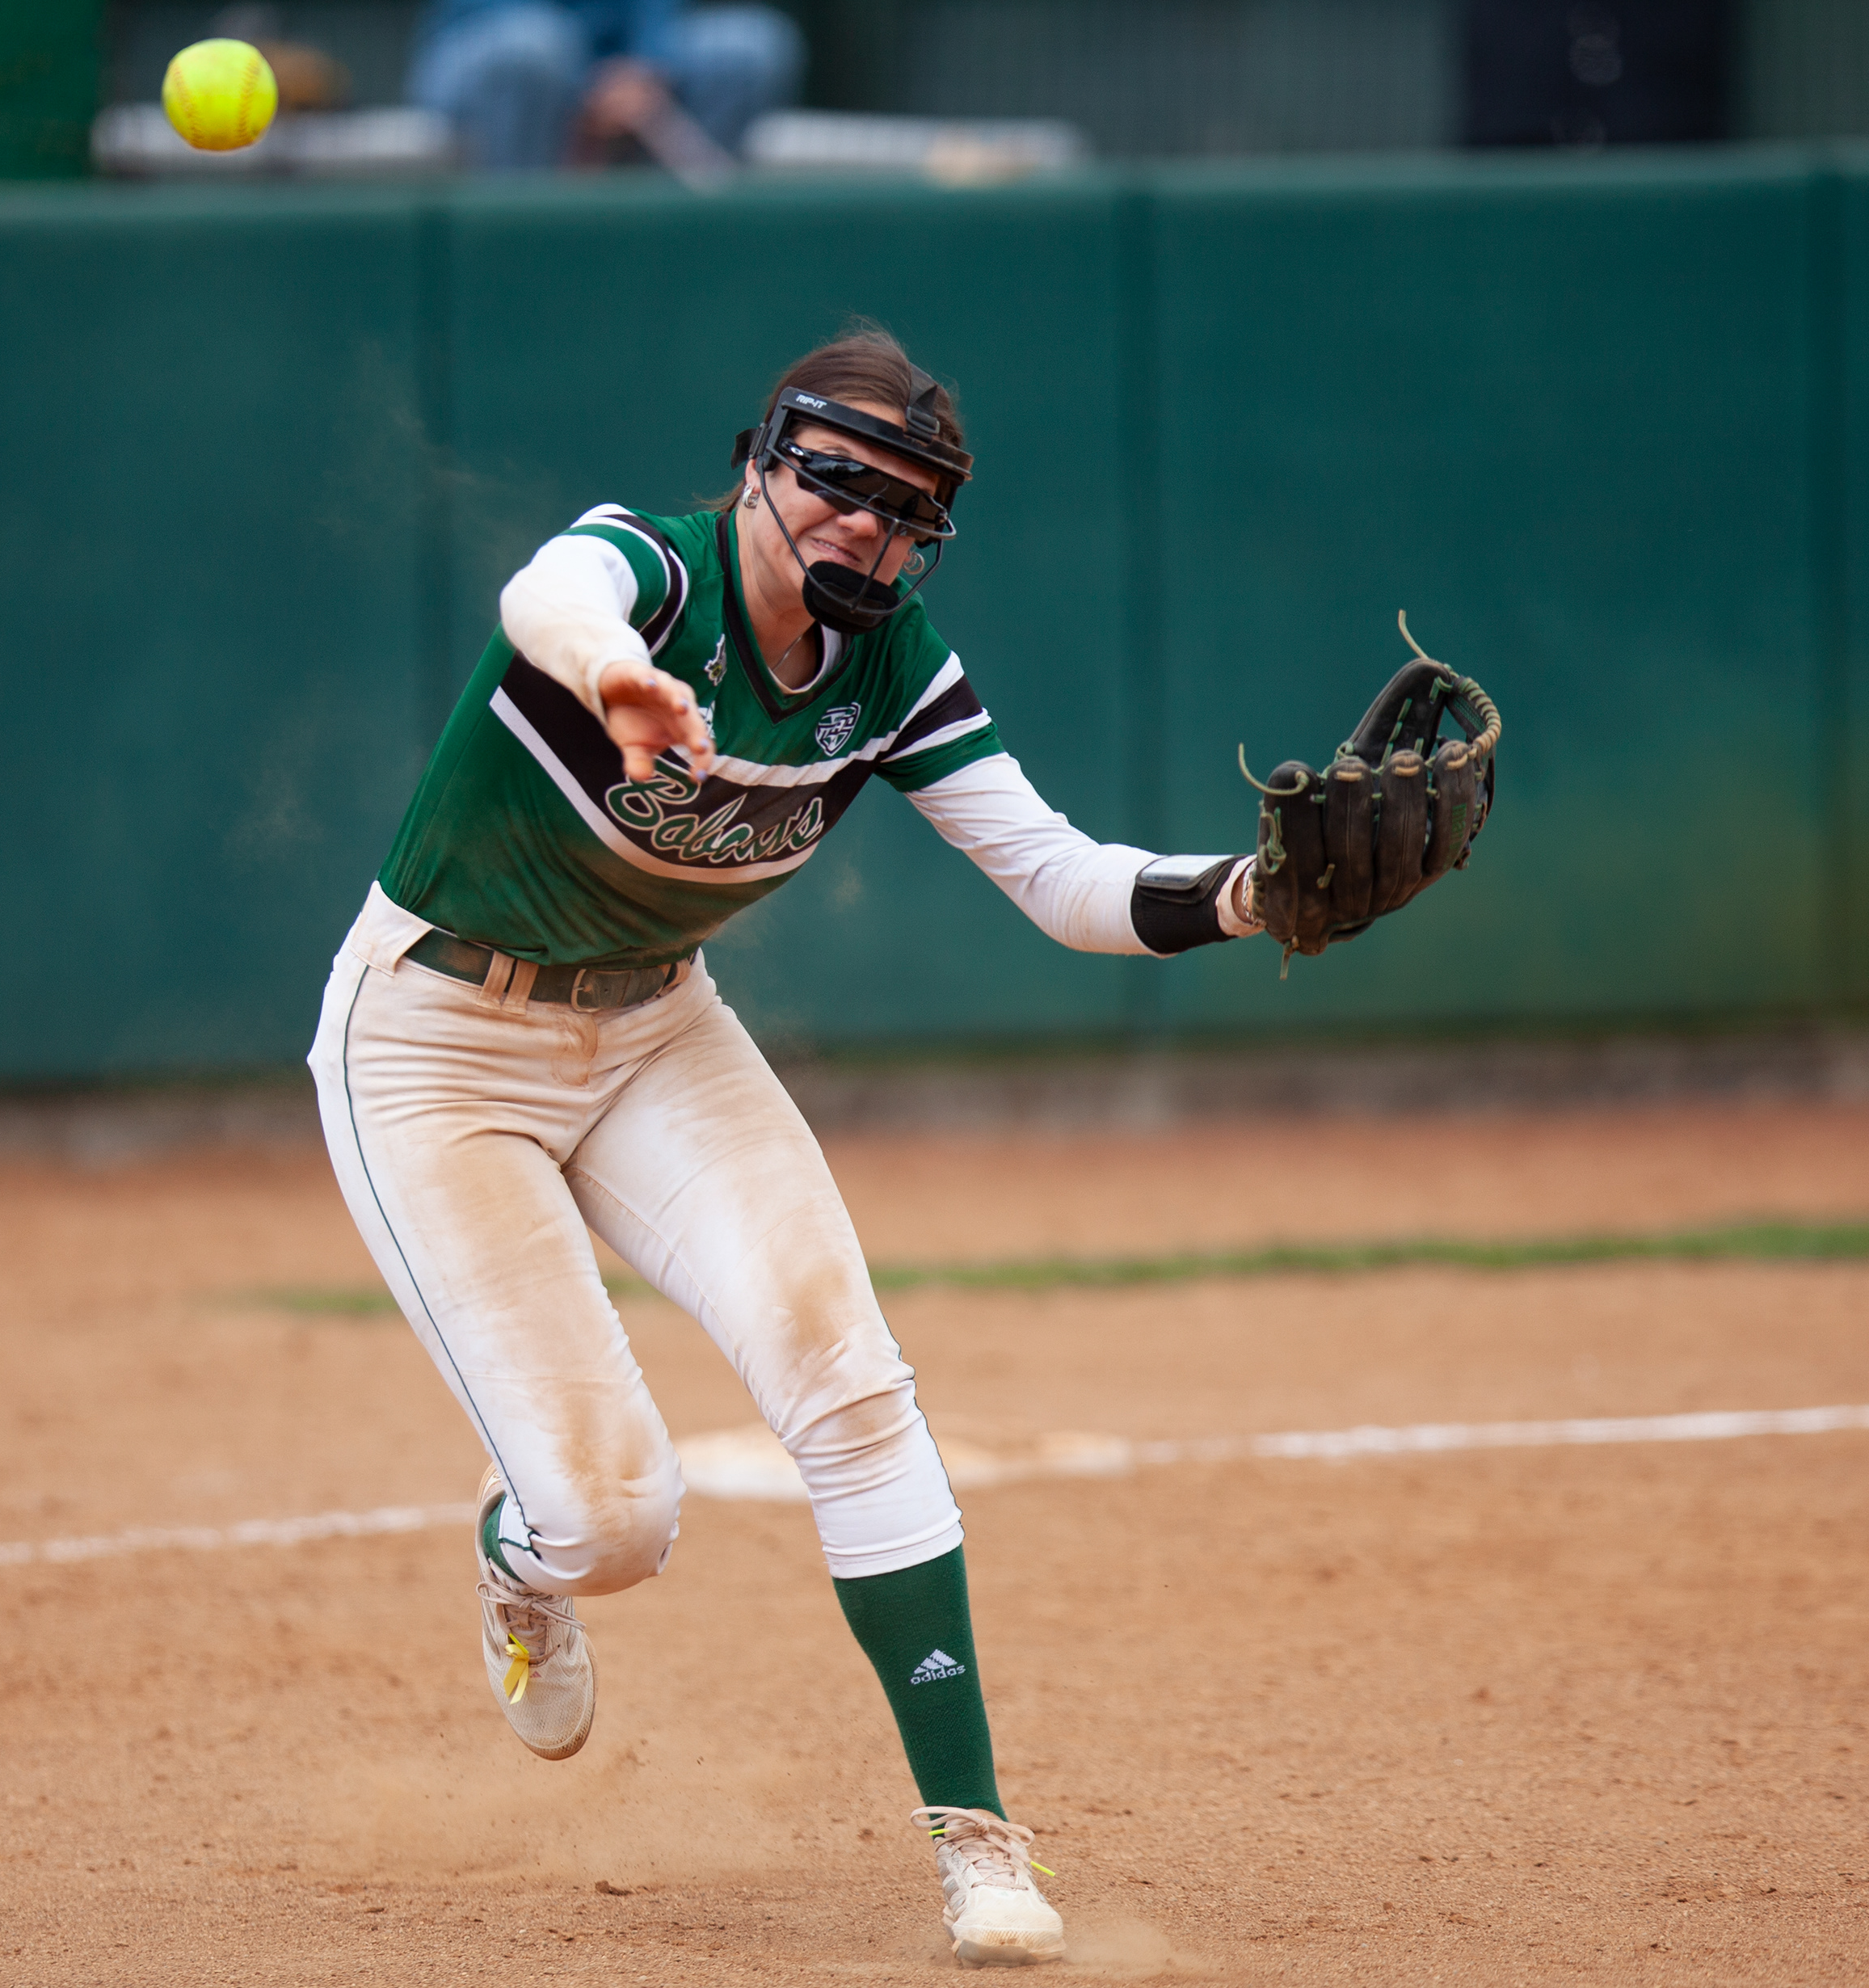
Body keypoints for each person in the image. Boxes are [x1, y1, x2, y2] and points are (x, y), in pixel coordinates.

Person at [305, 325, 1268, 1967]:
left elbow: (1062, 880)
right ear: (761, 461)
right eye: (834, 483)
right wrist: (611, 673)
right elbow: (549, 595)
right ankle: (518, 1552)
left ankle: (980, 1847)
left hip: (660, 1032)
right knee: (617, 1529)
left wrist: (1252, 895)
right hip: (436, 1046)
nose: (865, 530)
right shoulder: (654, 584)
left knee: (853, 1380)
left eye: (905, 510)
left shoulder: (893, 673)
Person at [410, 0, 802, 173]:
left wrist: (646, 69)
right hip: (482, 56)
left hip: (614, 67)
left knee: (750, 45)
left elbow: (655, 15)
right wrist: (587, 86)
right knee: (533, 50)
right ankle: (515, 252)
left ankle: (669, 242)